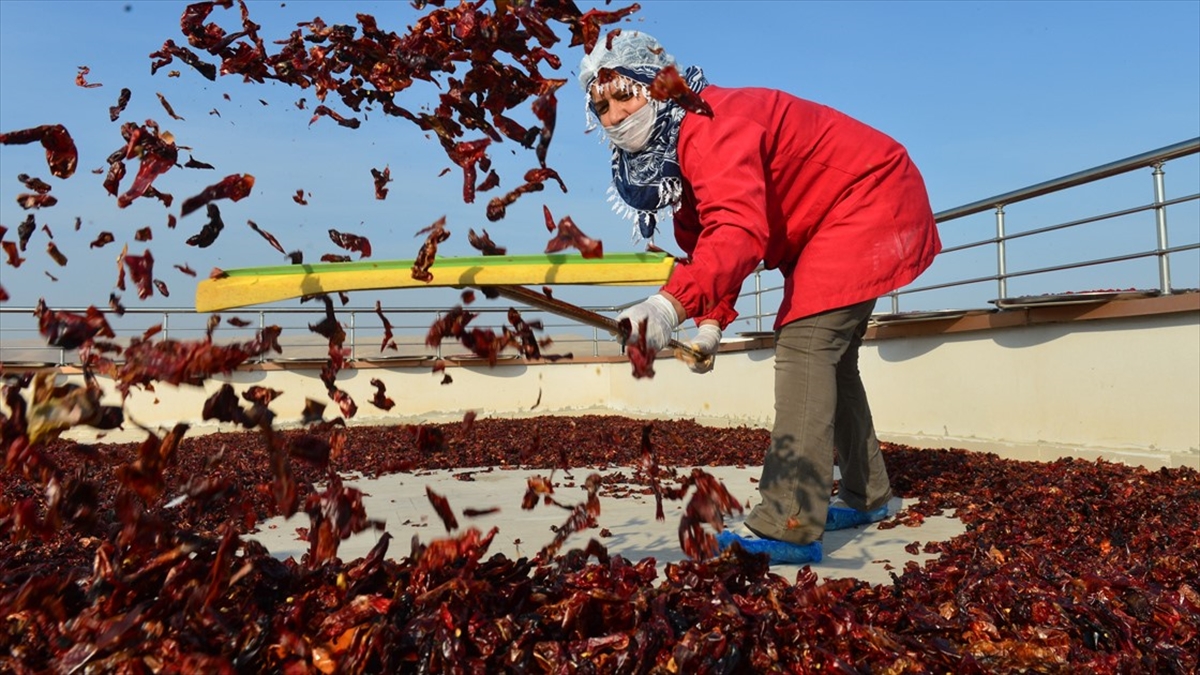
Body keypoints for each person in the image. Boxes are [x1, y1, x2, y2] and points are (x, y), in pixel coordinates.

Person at [578, 31, 942, 564]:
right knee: (832, 361)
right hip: (825, 219)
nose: (613, 116)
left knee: (806, 348)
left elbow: (738, 231)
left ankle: (789, 524)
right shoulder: (677, 153)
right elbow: (706, 243)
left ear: (658, 85)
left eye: (624, 96)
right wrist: (708, 322)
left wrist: (666, 306)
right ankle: (868, 495)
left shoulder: (710, 126)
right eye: (600, 106)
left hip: (867, 197)